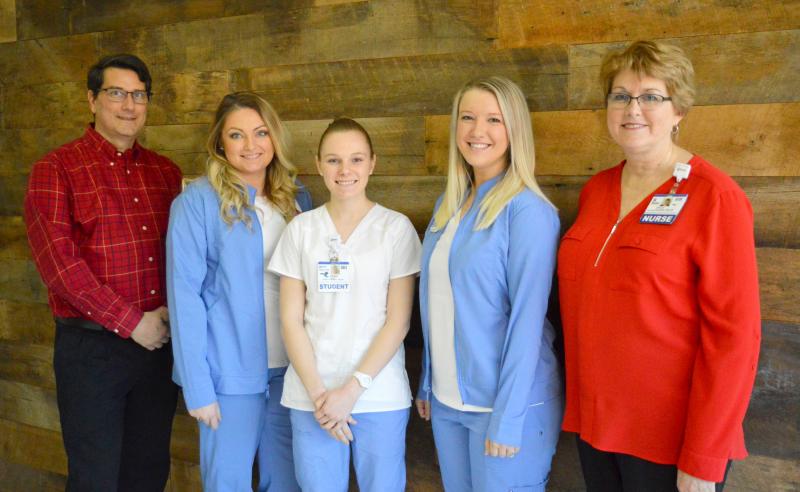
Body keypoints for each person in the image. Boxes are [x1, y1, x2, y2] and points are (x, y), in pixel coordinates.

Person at [558, 40, 761, 492]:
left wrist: (703, 458)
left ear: (679, 110)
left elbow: (735, 339)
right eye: (620, 95)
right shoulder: (597, 191)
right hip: (596, 426)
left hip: (669, 440)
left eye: (651, 96)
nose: (633, 108)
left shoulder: (716, 198)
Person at [24, 54, 181, 491]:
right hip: (92, 352)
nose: (129, 105)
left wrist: (171, 313)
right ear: (92, 100)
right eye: (117, 93)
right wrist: (132, 322)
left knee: (148, 472)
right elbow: (61, 268)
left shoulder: (165, 173)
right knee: (96, 477)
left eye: (139, 95)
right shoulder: (55, 170)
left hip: (158, 348)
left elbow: (183, 255)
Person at [415, 76, 563, 491]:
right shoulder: (448, 205)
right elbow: (437, 301)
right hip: (447, 402)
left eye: (494, 120)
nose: (477, 131)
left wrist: (508, 416)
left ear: (515, 130)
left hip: (504, 406)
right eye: (467, 118)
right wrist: (429, 378)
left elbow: (527, 322)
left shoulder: (528, 212)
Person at [166, 92, 311, 491]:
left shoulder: (296, 199)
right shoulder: (196, 201)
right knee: (227, 483)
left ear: (274, 137)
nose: (251, 146)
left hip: (290, 372)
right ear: (219, 143)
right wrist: (197, 387)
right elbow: (184, 298)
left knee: (285, 483)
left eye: (260, 132)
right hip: (228, 376)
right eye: (237, 135)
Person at [268, 118, 421, 492]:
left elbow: (398, 322)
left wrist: (351, 391)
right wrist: (322, 397)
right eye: (334, 160)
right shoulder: (301, 230)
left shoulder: (395, 229)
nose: (345, 170)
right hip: (311, 399)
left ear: (372, 163)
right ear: (319, 165)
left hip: (378, 394)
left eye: (355, 159)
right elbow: (291, 321)